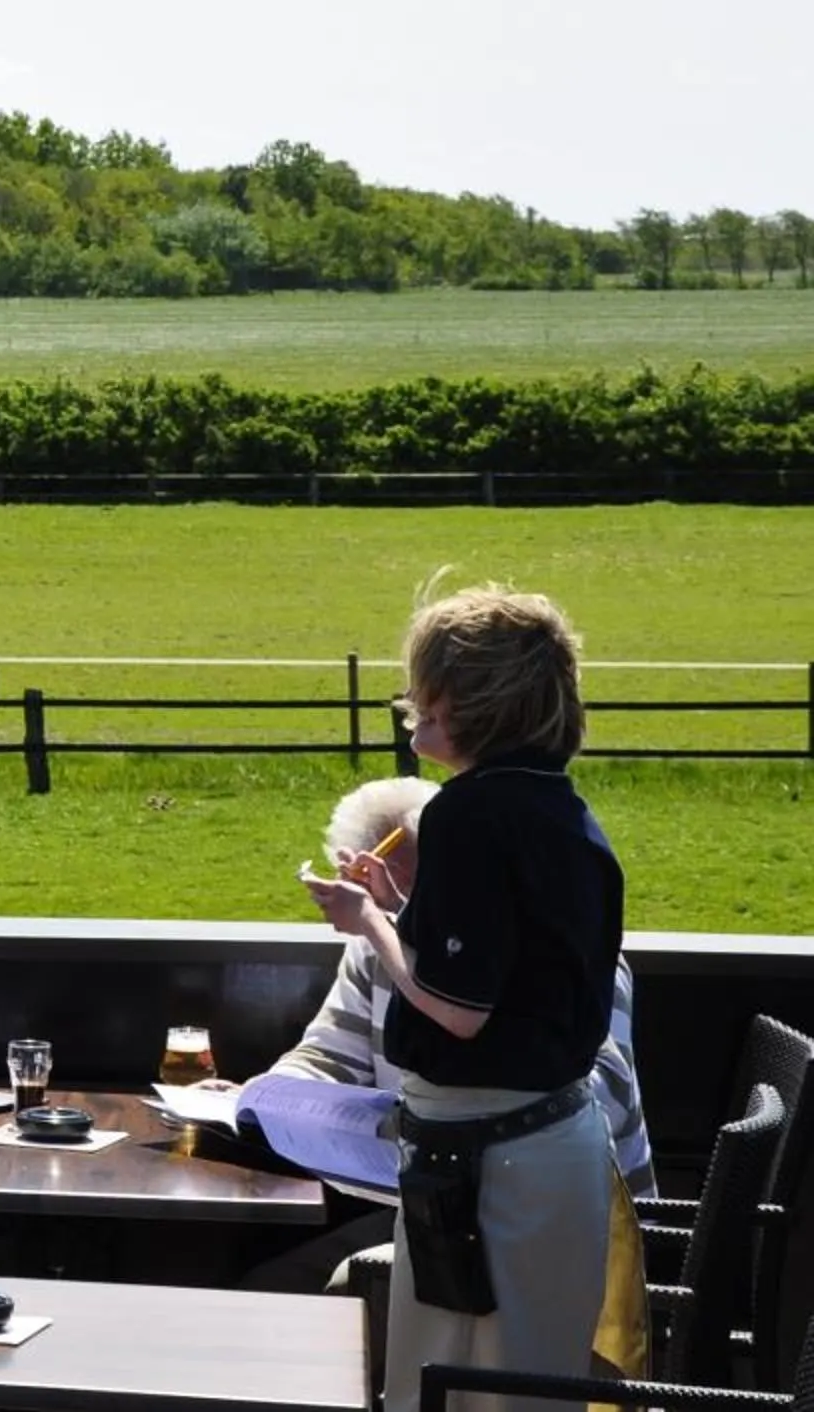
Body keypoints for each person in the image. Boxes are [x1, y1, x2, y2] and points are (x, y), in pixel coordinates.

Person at [302, 585, 625, 1412]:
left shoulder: (470, 815)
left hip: (497, 1166)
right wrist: (412, 913)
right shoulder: (551, 805)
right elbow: (507, 968)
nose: (415, 716)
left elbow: (460, 1009)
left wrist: (368, 920)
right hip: (528, 1155)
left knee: (463, 1393)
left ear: (474, 703)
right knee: (510, 1393)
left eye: (429, 697)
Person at [234, 775, 653, 1294]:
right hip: (439, 1206)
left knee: (327, 1289)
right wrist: (262, 1101)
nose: (414, 907)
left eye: (426, 885)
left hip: (572, 1228)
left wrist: (425, 1121)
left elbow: (599, 1105)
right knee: (261, 1278)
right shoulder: (377, 947)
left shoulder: (572, 962)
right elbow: (326, 1055)